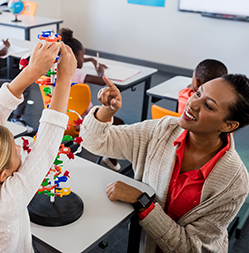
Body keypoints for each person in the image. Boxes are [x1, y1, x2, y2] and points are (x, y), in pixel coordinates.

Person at [80, 74, 249, 252]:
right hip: (143, 245)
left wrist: (142, 202)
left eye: (208, 105)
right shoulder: (163, 130)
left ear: (228, 126)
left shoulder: (234, 183)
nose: (192, 103)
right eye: (198, 93)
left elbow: (191, 248)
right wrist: (107, 110)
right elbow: (93, 141)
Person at [0, 40, 77, 252]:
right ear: (4, 176)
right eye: (15, 150)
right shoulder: (5, 204)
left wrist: (33, 70)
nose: (19, 147)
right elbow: (45, 148)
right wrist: (64, 79)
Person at [59, 27, 124, 171]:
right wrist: (100, 70)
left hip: (62, 119)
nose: (83, 59)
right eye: (82, 56)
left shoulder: (53, 70)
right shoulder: (76, 73)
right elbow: (102, 80)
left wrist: (91, 59)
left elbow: (78, 60)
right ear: (75, 57)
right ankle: (110, 159)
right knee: (118, 123)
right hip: (82, 121)